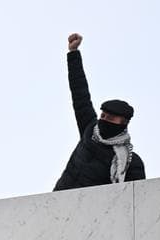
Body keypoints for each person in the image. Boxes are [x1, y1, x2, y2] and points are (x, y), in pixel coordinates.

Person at [53, 33, 146, 191]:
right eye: (102, 115)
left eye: (109, 118)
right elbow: (80, 93)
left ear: (122, 123)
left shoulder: (131, 163)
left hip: (94, 212)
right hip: (59, 202)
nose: (103, 120)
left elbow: (135, 198)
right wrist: (73, 53)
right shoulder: (89, 129)